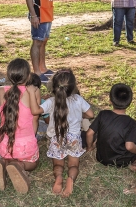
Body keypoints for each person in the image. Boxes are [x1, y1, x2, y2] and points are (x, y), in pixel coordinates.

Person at [28, 69, 94, 197]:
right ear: (73, 87)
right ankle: (71, 179)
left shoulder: (51, 101)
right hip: (74, 138)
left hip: (56, 138)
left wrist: (31, 93)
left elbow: (35, 111)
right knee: (74, 164)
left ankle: (58, 177)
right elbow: (91, 114)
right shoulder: (78, 99)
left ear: (53, 86)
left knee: (58, 164)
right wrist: (79, 115)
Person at [0, 58, 41, 194]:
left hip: (4, 144)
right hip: (25, 146)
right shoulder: (34, 91)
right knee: (33, 163)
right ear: (29, 75)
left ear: (8, 75)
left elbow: (1, 117)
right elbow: (35, 119)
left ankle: (3, 162)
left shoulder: (0, 91)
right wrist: (32, 138)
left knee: (8, 156)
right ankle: (20, 165)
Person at [85, 83, 136, 173]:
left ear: (110, 100)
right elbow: (129, 147)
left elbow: (89, 133)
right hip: (121, 162)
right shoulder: (131, 122)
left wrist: (90, 147)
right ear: (130, 102)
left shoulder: (103, 114)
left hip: (101, 158)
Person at [24, 0, 56, 83]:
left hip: (48, 14)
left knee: (43, 42)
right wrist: (33, 15)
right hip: (38, 15)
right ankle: (36, 72)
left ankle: (43, 68)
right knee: (37, 42)